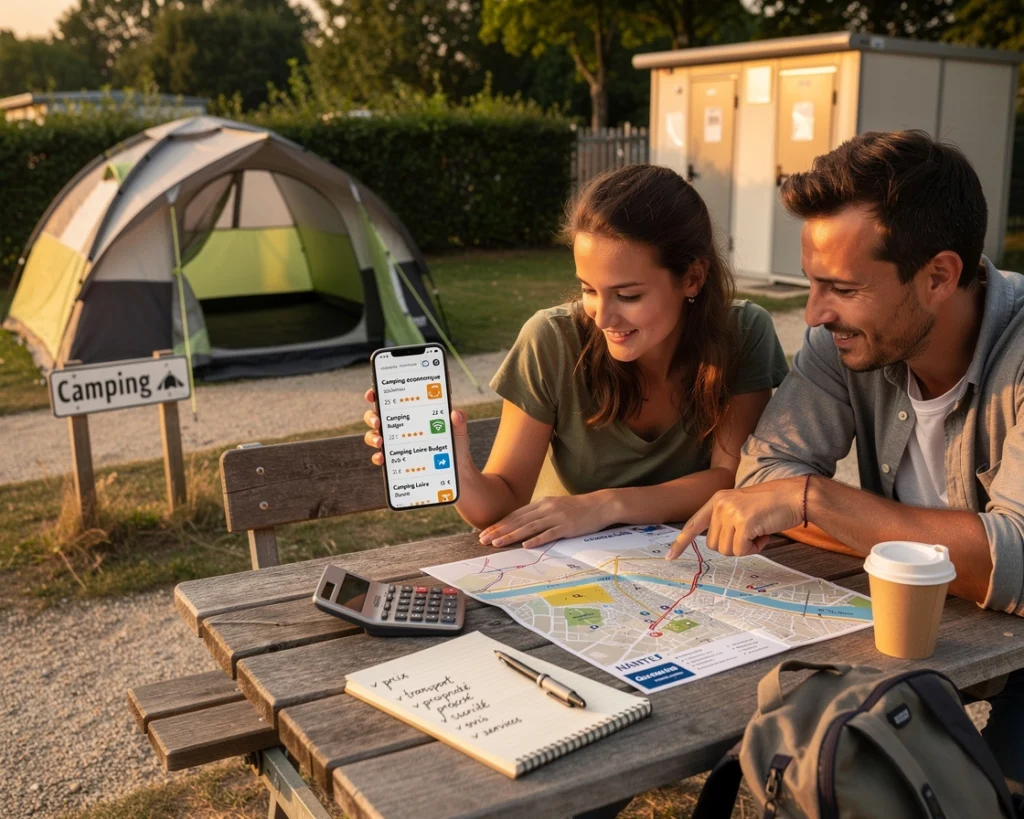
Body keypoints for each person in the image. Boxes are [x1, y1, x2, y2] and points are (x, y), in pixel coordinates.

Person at [666, 130, 1024, 789]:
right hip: (914, 642)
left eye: (841, 286)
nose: (814, 311)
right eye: (810, 282)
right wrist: (806, 500)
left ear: (940, 275)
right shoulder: (845, 340)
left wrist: (817, 501)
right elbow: (764, 477)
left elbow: (1018, 561)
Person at [362, 163, 789, 551]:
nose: (602, 317)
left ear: (692, 277)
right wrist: (460, 470)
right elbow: (500, 505)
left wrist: (606, 505)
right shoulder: (551, 341)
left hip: (691, 566)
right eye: (588, 289)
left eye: (628, 295)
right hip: (572, 570)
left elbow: (731, 479)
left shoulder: (743, 333)